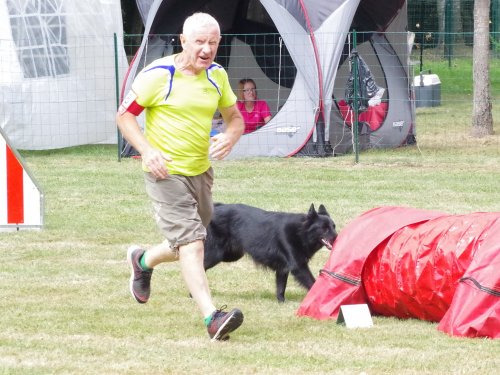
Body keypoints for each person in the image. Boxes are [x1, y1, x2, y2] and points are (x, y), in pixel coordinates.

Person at [116, 12, 245, 341]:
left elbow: (235, 118)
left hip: (201, 172)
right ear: (183, 40)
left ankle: (142, 260)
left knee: (184, 245)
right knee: (192, 244)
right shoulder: (158, 74)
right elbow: (125, 117)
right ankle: (211, 318)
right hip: (165, 172)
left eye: (213, 43)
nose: (206, 49)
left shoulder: (217, 75)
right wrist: (147, 151)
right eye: (199, 42)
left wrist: (231, 136)